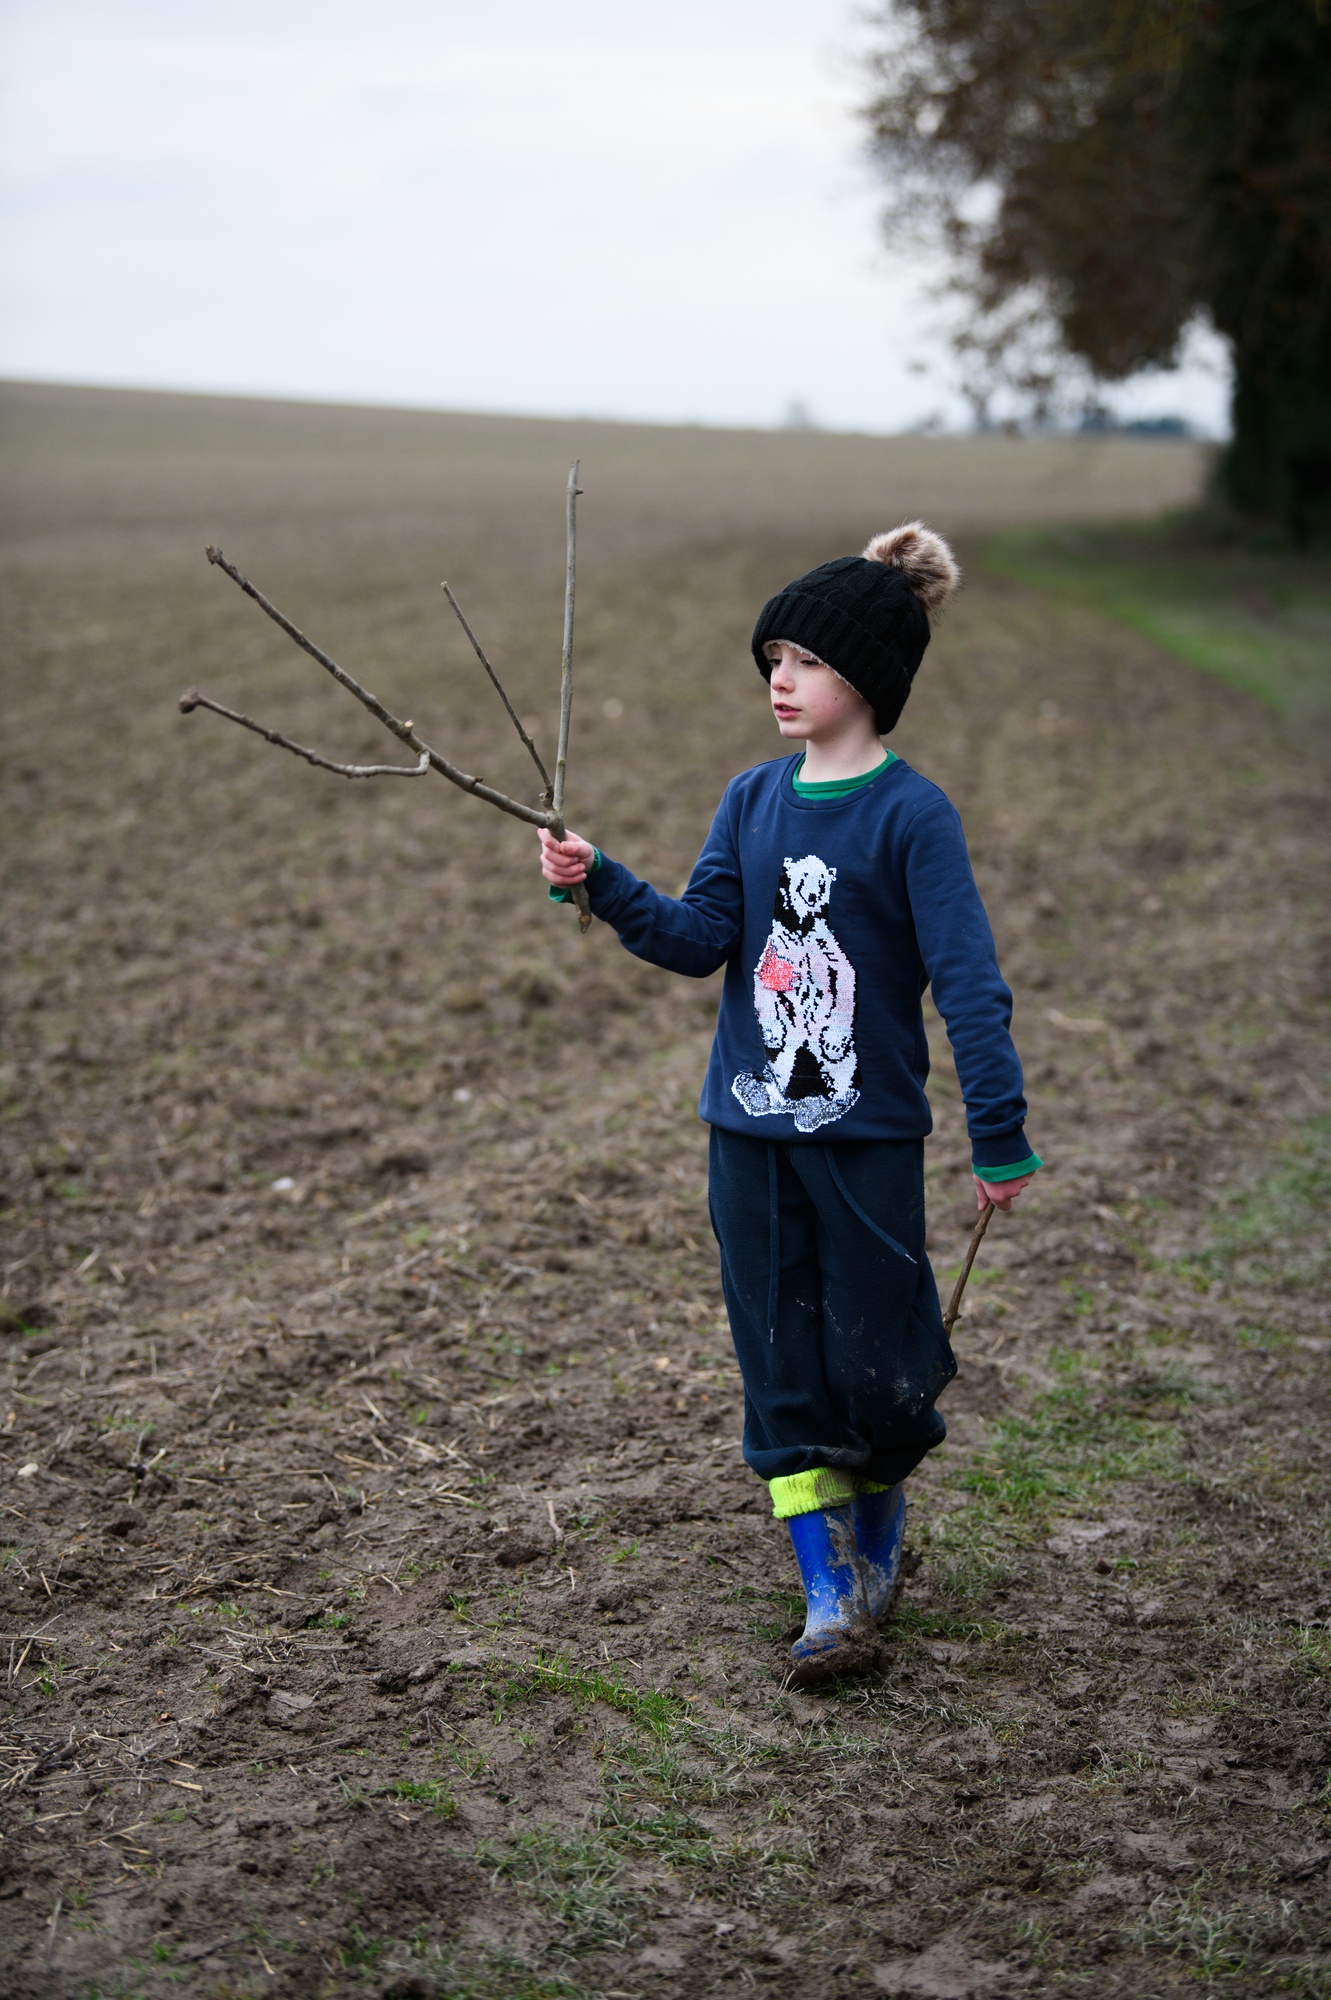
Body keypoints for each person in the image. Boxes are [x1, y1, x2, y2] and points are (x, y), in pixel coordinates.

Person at [538, 525, 1039, 1684]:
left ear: (867, 676)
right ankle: (827, 1595)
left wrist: (999, 1131)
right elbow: (696, 937)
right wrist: (599, 879)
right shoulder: (750, 799)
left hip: (865, 1137)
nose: (779, 677)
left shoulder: (911, 816)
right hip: (748, 1136)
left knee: (879, 1369)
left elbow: (967, 983)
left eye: (805, 659)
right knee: (778, 1367)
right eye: (772, 656)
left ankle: (878, 1539)